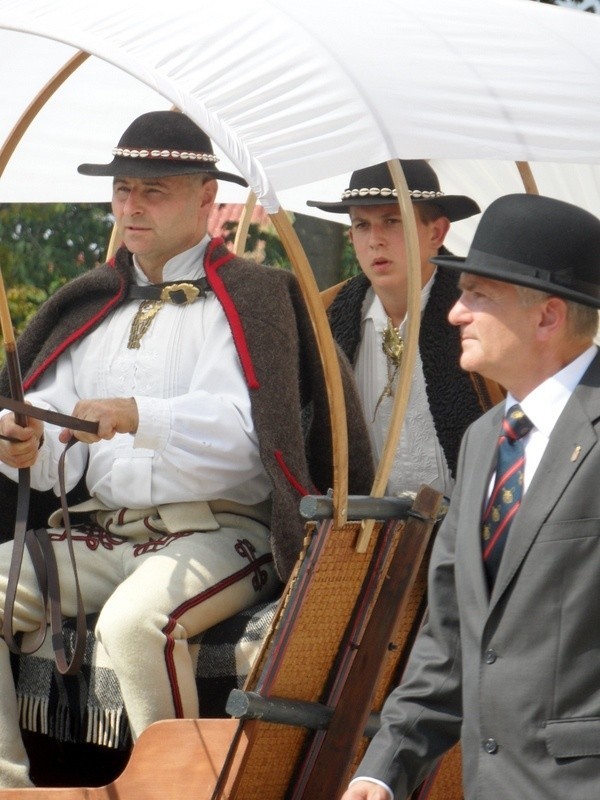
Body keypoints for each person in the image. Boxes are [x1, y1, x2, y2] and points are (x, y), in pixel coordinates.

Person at [0, 109, 374, 788]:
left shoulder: (257, 296)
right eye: (122, 189)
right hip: (100, 534)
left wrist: (140, 415)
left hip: (221, 531)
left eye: (154, 190)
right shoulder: (89, 304)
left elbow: (253, 437)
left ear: (208, 199)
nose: (130, 205)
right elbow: (61, 456)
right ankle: (13, 787)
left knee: (135, 623)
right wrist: (26, 447)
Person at [342, 192, 600, 800]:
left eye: (478, 294)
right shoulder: (484, 440)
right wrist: (382, 770)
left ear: (547, 317)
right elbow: (451, 637)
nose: (456, 313)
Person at [308, 160, 503, 498]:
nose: (375, 240)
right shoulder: (322, 319)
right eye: (362, 225)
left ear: (436, 233)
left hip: (468, 530)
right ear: (351, 237)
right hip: (359, 536)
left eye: (392, 221)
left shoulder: (486, 315)